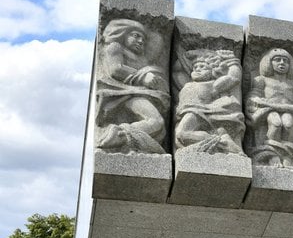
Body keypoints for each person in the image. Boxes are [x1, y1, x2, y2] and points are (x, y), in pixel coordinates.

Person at [96, 18, 170, 154]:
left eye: (143, 39)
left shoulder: (143, 59)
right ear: (123, 34)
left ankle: (132, 145)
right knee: (156, 121)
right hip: (125, 94)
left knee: (161, 129)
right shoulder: (115, 47)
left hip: (142, 93)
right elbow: (115, 69)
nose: (141, 41)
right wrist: (143, 78)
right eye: (136, 36)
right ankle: (119, 134)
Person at [246, 48, 293, 168]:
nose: (282, 63)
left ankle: (286, 156)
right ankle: (272, 154)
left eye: (285, 61)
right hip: (270, 110)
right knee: (275, 124)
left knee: (288, 125)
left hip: (288, 111)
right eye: (277, 60)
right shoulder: (261, 80)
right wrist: (258, 101)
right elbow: (254, 97)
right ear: (269, 63)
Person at [174, 49, 244, 154]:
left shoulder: (213, 85)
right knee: (179, 139)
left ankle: (221, 142)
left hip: (198, 112)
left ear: (212, 71)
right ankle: (221, 139)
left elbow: (233, 78)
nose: (197, 69)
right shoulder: (187, 84)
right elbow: (176, 69)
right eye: (195, 67)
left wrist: (232, 61)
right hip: (186, 112)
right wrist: (196, 53)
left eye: (203, 67)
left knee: (181, 134)